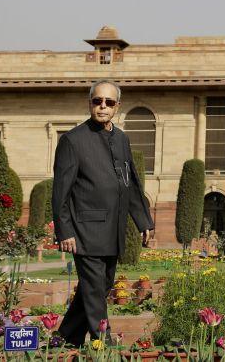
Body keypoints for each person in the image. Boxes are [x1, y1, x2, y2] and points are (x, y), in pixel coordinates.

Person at [52, 80, 155, 346]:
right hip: (85, 231)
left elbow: (129, 183)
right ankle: (103, 343)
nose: (102, 106)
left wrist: (143, 220)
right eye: (97, 101)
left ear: (117, 106)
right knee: (96, 289)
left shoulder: (121, 138)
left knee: (97, 287)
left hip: (113, 230)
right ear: (90, 103)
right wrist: (65, 230)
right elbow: (61, 191)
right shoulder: (72, 141)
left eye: (109, 102)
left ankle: (65, 338)